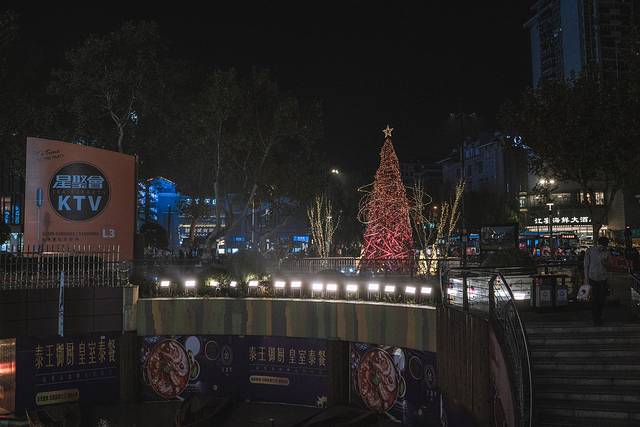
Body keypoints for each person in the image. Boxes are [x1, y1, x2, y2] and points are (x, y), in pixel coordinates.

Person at [584, 236, 611, 325]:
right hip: (593, 278)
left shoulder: (607, 252)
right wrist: (586, 279)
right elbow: (586, 265)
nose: (603, 247)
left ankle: (598, 315)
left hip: (603, 278)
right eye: (603, 245)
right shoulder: (590, 251)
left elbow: (609, 266)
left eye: (605, 246)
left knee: (601, 299)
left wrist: (605, 264)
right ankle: (596, 318)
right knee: (595, 299)